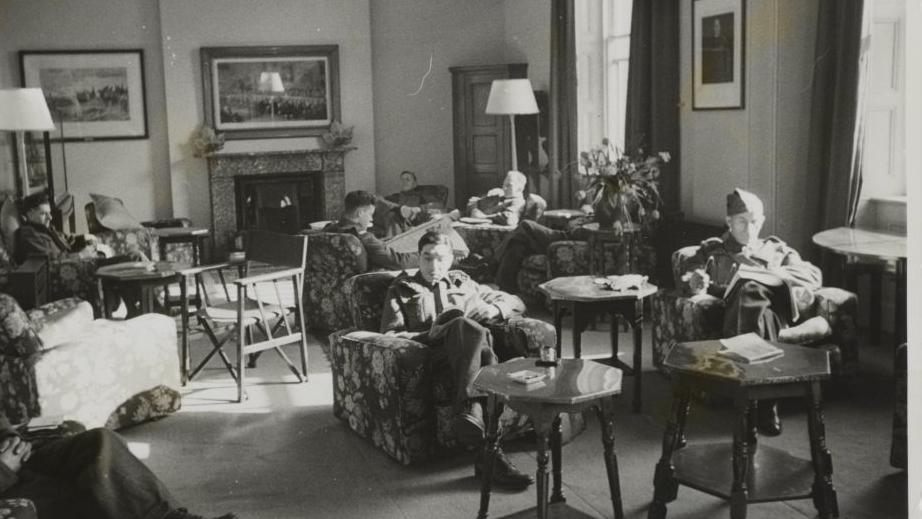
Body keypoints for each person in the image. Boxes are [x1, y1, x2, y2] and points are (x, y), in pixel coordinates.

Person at [379, 230, 534, 490]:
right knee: (465, 326)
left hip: (475, 357)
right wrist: (431, 333)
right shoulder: (401, 288)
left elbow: (516, 302)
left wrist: (494, 309)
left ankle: (485, 446)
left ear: (451, 260)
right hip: (433, 355)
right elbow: (389, 335)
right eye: (427, 258)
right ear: (419, 258)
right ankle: (470, 410)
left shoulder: (463, 282)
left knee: (474, 331)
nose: (433, 266)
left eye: (440, 259)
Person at [681, 188, 826, 435]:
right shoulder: (713, 250)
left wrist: (779, 274)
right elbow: (689, 270)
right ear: (728, 222)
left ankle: (747, 402)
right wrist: (694, 280)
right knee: (753, 302)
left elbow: (813, 274)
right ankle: (765, 404)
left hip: (774, 310)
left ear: (763, 221)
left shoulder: (777, 249)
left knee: (751, 287)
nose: (750, 229)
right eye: (742, 222)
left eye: (755, 221)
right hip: (746, 315)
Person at [0, 415, 235, 519]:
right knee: (82, 492)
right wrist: (4, 469)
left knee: (99, 442)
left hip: (12, 459)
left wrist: (9, 438)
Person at [325, 190, 420, 270]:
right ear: (360, 213)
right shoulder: (364, 237)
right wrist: (424, 256)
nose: (371, 219)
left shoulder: (328, 230)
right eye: (370, 214)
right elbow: (400, 262)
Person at [453, 170, 528, 227]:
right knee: (448, 217)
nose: (504, 188)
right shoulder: (500, 195)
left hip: (480, 229)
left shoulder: (518, 202)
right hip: (465, 217)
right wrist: (474, 208)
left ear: (520, 188)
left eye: (509, 185)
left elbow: (509, 219)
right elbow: (472, 202)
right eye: (504, 184)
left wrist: (483, 217)